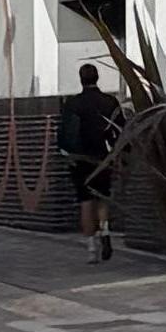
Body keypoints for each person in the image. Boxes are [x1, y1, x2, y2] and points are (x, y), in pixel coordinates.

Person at [56, 58, 121, 260]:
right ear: (97, 78)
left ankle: (91, 249)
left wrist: (66, 152)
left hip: (80, 158)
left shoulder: (72, 104)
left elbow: (64, 133)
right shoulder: (110, 102)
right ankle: (106, 230)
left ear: (80, 80)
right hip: (103, 155)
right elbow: (121, 129)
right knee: (102, 197)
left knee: (85, 200)